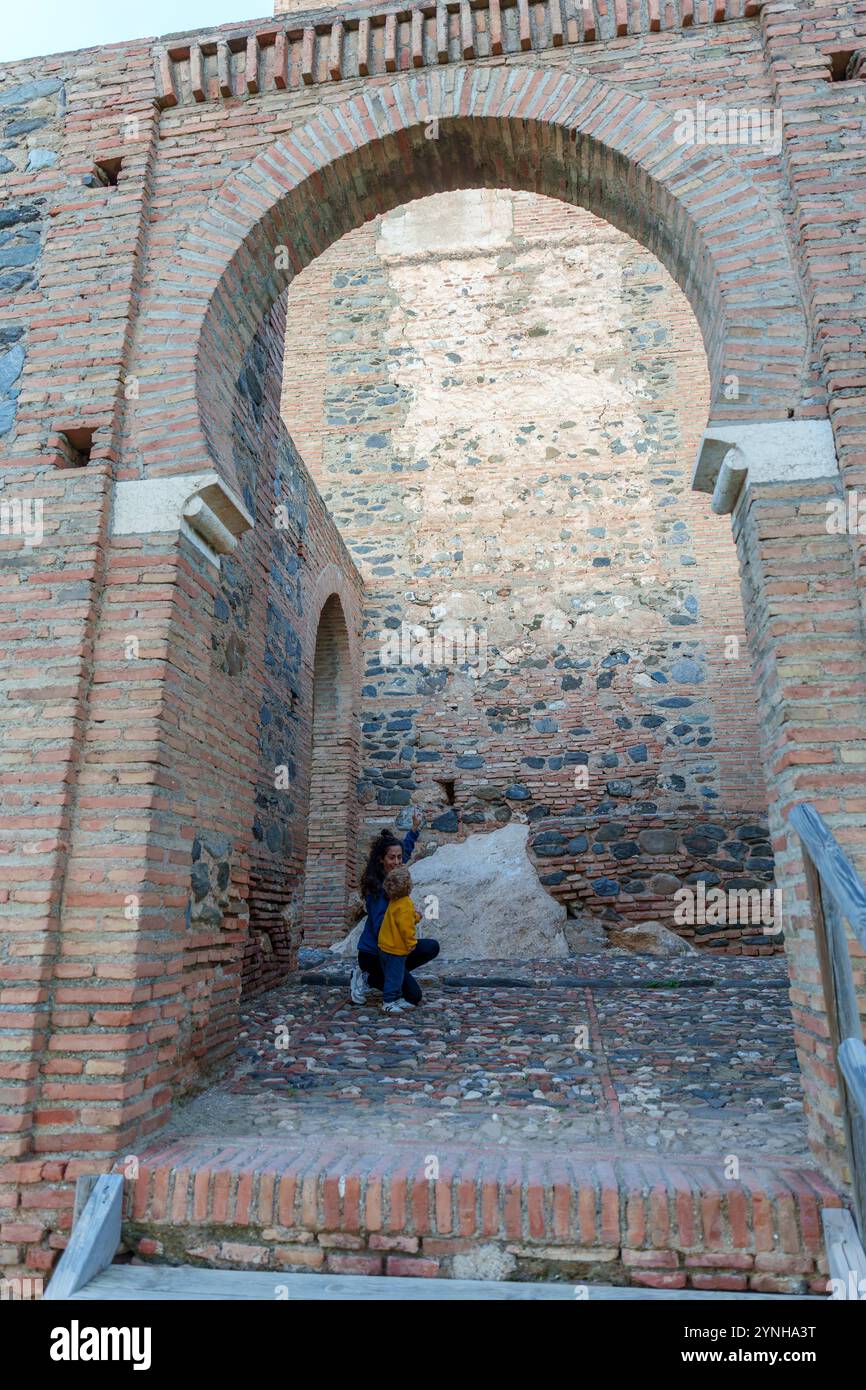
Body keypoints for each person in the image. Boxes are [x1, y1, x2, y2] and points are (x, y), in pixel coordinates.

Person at [351, 810, 440, 1007]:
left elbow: (405, 851)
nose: (398, 862)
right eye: (392, 858)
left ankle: (390, 974)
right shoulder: (377, 889)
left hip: (394, 946)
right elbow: (381, 925)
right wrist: (408, 917)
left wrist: (415, 830)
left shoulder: (396, 875)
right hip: (376, 952)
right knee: (413, 996)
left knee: (431, 947)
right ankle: (368, 977)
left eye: (399, 858)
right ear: (382, 859)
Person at [377, 866, 422, 1015]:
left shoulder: (395, 901)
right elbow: (406, 927)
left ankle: (395, 999)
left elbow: (404, 919)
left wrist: (416, 916)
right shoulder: (405, 903)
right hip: (396, 949)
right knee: (395, 977)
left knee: (392, 975)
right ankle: (388, 1002)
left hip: (385, 946)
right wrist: (411, 943)